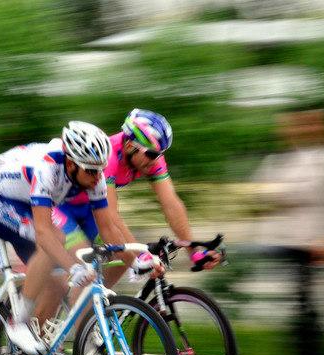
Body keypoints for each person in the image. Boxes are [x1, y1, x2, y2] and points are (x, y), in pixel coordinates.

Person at [0, 121, 150, 355]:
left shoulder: (91, 172)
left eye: (101, 170)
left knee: (57, 282)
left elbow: (107, 227)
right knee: (53, 242)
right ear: (71, 163)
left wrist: (135, 261)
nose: (98, 178)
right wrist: (74, 267)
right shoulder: (48, 168)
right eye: (91, 171)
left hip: (24, 200)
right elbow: (45, 234)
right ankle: (19, 323)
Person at [52, 109, 221, 291]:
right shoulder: (108, 158)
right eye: (151, 154)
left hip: (89, 211)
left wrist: (193, 252)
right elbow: (111, 215)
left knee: (121, 258)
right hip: (61, 208)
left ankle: (91, 314)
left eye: (159, 154)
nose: (156, 160)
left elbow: (171, 204)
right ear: (130, 146)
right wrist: (141, 254)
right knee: (97, 264)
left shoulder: (152, 160)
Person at [251, 106, 324, 355]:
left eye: (308, 124)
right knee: (298, 297)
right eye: (295, 125)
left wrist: (277, 193)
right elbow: (257, 192)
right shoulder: (279, 159)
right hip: (288, 238)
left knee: (309, 297)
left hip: (316, 238)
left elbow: (310, 191)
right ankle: (299, 352)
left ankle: (309, 354)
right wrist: (277, 194)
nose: (300, 130)